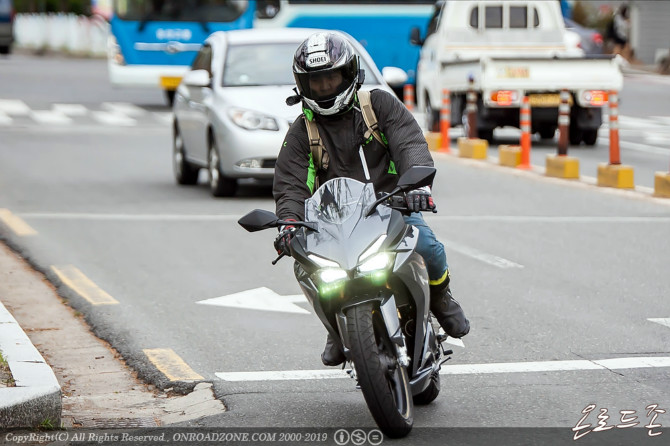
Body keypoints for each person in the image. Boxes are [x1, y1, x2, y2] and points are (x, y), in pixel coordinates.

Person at [272, 32, 469, 366]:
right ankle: (337, 328)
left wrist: (416, 187)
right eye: (315, 82)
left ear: (350, 74)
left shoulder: (377, 105)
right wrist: (289, 223)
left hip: (391, 206)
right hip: (333, 223)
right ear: (302, 85)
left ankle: (440, 296)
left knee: (428, 245)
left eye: (331, 78)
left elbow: (410, 144)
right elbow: (291, 185)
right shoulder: (302, 132)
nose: (324, 88)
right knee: (308, 269)